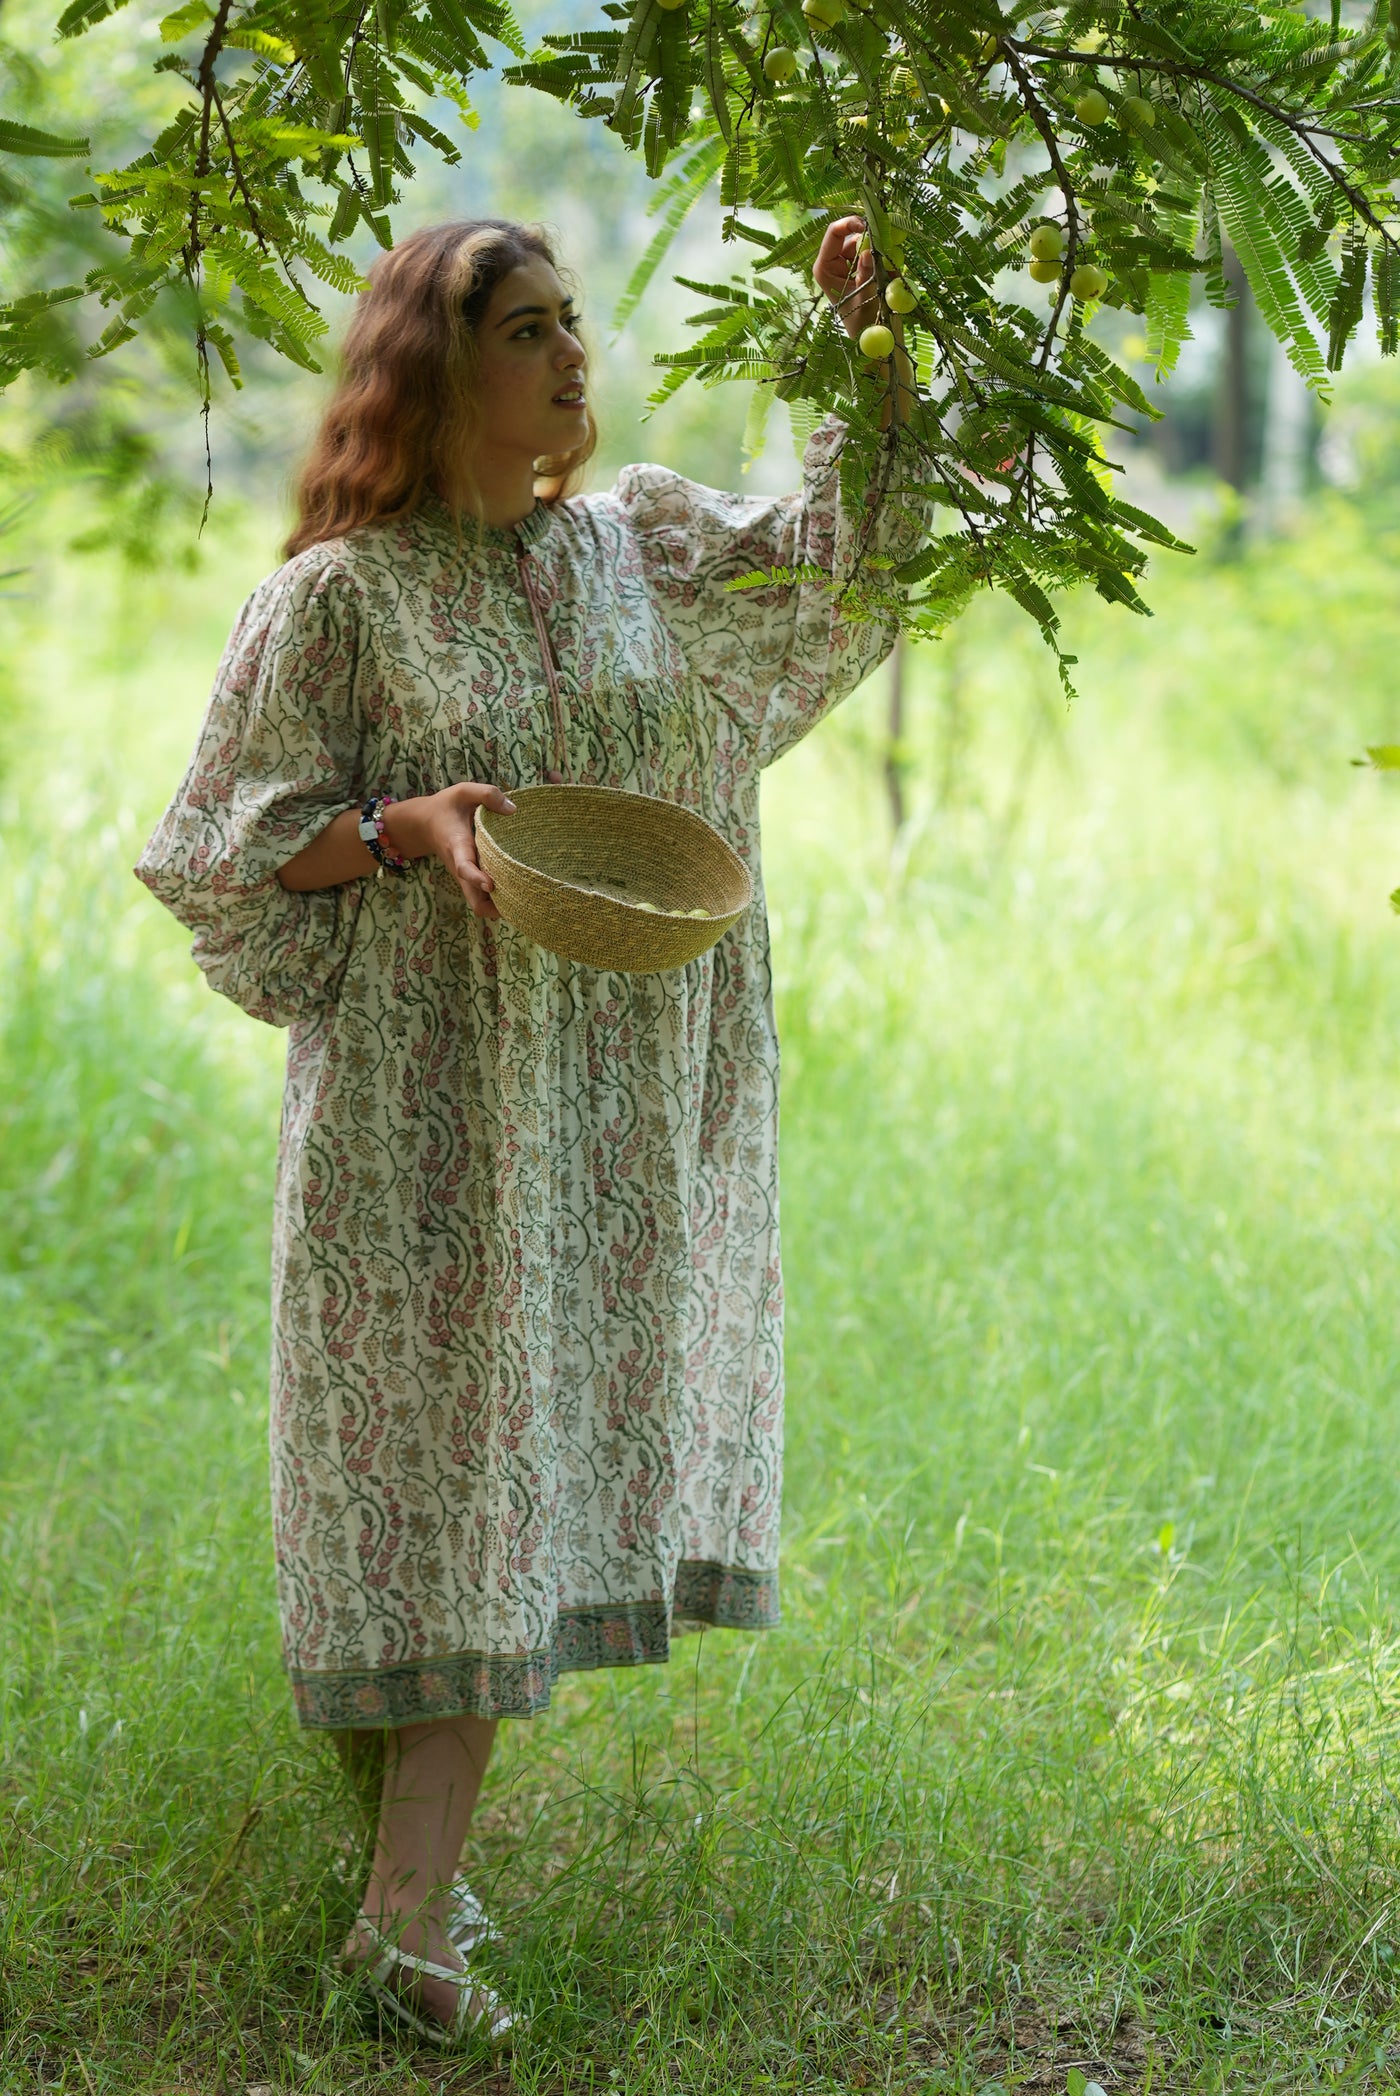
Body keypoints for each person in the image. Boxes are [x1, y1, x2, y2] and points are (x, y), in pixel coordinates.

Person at [136, 212, 916, 2049]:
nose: (571, 356)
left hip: (605, 1113)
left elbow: (837, 575)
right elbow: (226, 849)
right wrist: (402, 826)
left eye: (575, 323)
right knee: (434, 1483)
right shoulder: (338, 598)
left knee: (488, 1486)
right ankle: (405, 1929)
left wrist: (867, 358)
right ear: (436, 364)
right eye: (526, 330)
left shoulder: (636, 544)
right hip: (424, 1113)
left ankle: (404, 1890)